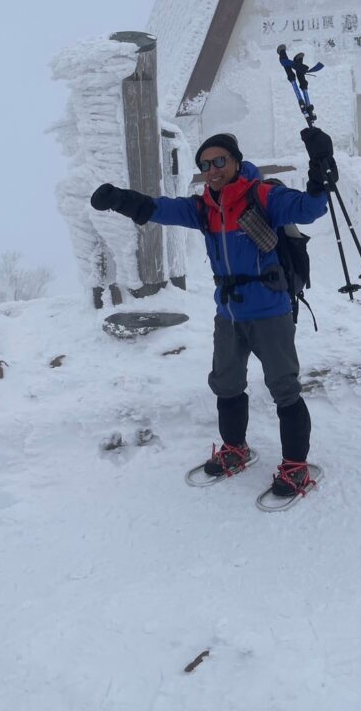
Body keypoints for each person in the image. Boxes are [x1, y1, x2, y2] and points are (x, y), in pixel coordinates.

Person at [90, 127, 337, 496]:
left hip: (269, 311)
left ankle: (295, 467)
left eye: (220, 160)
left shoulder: (263, 196)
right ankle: (235, 450)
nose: (213, 169)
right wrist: (120, 200)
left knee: (284, 389)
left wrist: (321, 165)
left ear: (236, 162)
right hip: (229, 315)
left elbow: (312, 207)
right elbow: (159, 209)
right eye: (206, 165)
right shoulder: (203, 208)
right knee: (226, 385)